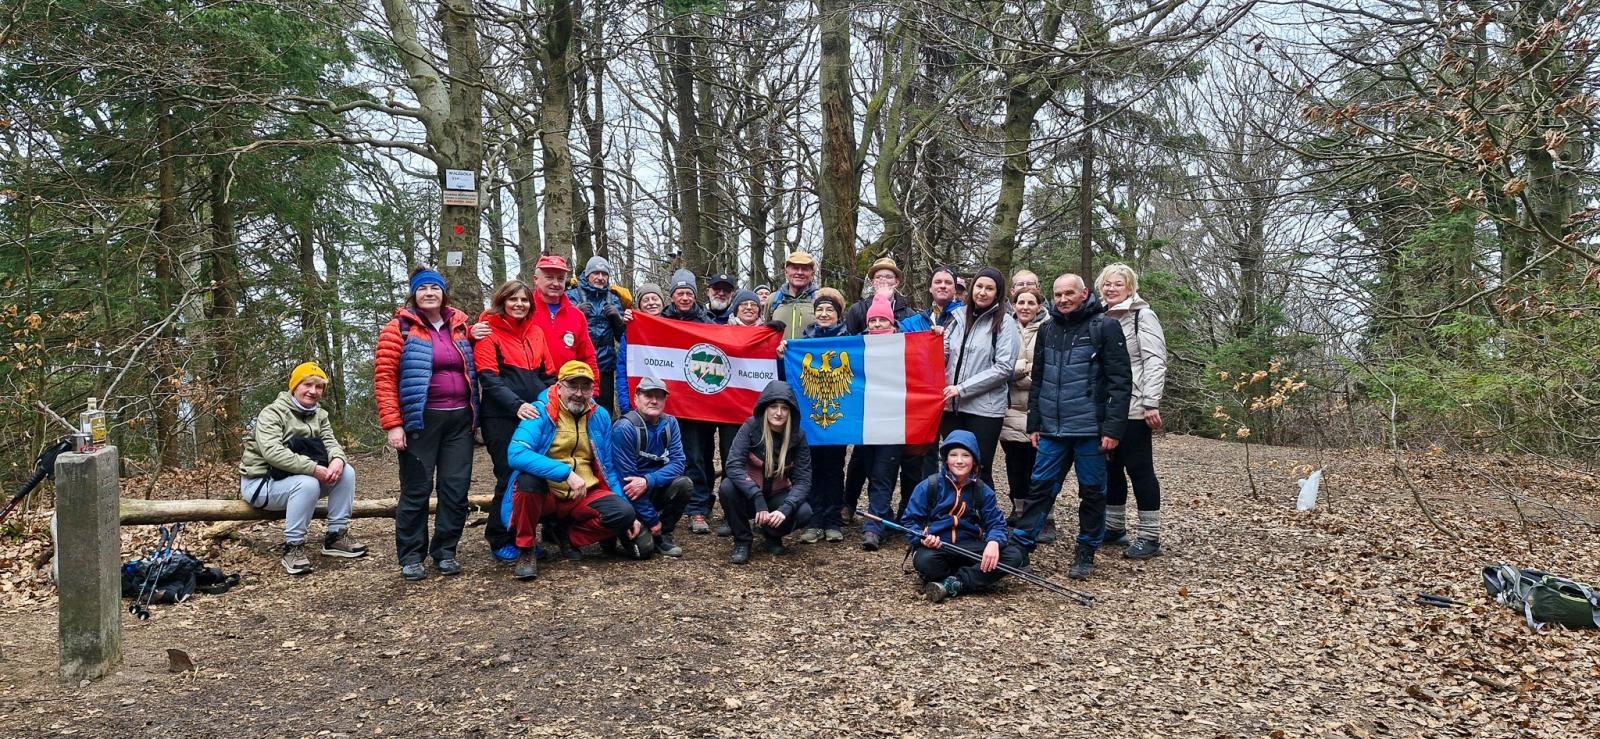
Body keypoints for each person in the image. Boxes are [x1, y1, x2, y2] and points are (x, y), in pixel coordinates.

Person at [1013, 273, 1132, 580]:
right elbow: (1038, 379)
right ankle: (1020, 548)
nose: (1063, 299)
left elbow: (1121, 383)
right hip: (1052, 429)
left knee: (1092, 492)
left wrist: (1113, 429)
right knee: (1038, 490)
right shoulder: (1049, 329)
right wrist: (1034, 424)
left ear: (1084, 294)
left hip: (1090, 430)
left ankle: (1086, 551)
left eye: (1069, 293)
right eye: (1058, 294)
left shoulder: (1105, 326)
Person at [375, 267, 477, 581]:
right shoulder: (399, 329)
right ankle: (411, 556)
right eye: (423, 289)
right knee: (417, 490)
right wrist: (393, 424)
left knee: (455, 490)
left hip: (460, 421)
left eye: (435, 287)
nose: (429, 293)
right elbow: (384, 379)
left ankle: (445, 551)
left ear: (444, 292)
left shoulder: (460, 326)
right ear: (414, 294)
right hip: (420, 421)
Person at [504, 361, 647, 580]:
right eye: (573, 386)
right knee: (527, 482)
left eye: (586, 387)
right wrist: (564, 473)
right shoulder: (540, 411)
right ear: (559, 386)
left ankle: (568, 536)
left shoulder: (599, 416)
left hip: (584, 493)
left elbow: (607, 467)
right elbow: (516, 453)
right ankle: (526, 548)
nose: (579, 394)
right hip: (548, 493)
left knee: (624, 513)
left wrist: (629, 514)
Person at [239, 362, 366, 575]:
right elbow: (273, 452)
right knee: (307, 483)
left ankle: (336, 536)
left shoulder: (320, 415)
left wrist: (337, 459)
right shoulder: (272, 413)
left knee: (347, 472)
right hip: (261, 484)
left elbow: (331, 443)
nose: (313, 391)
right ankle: (293, 547)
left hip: (296, 481)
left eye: (319, 387)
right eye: (307, 385)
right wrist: (314, 468)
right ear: (295, 386)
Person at [474, 280, 558, 562]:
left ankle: (524, 536)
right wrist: (516, 405)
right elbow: (489, 378)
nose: (519, 304)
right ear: (502, 302)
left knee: (533, 476)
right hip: (500, 416)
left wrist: (544, 404)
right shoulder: (489, 332)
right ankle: (499, 537)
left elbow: (550, 375)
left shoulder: (536, 332)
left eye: (523, 300)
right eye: (513, 300)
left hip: (535, 415)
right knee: (507, 476)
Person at [902, 430, 1025, 602]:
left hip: (970, 546)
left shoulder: (983, 491)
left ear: (974, 460)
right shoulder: (928, 486)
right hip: (938, 548)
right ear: (946, 459)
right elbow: (910, 521)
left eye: (965, 455)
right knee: (925, 562)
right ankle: (972, 577)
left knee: (1014, 555)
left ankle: (955, 582)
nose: (959, 461)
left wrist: (993, 542)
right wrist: (922, 538)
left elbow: (996, 524)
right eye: (953, 455)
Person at [1096, 263, 1168, 559]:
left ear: (1130, 288)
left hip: (1136, 406)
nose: (1111, 289)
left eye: (1118, 284)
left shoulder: (1142, 316)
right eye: (1107, 284)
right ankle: (1114, 527)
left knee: (1139, 470)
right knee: (1110, 468)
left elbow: (1155, 360)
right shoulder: (1098, 316)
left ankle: (1150, 535)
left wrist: (1151, 401)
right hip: (1106, 407)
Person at [939, 267, 1019, 489]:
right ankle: (955, 517)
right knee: (953, 467)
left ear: (998, 292)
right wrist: (933, 339)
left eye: (989, 288)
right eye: (979, 286)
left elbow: (1004, 368)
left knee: (979, 469)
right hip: (952, 408)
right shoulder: (957, 318)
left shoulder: (1005, 323)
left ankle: (983, 519)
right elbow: (944, 355)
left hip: (984, 410)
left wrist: (962, 388)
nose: (983, 292)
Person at [718, 380, 813, 564]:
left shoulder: (798, 436)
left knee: (804, 511)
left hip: (777, 495)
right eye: (774, 407)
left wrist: (785, 509)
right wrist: (756, 496)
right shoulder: (751, 427)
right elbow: (733, 465)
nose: (778, 413)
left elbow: (803, 480)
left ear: (791, 411)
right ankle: (743, 541)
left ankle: (771, 534)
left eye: (784, 408)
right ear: (765, 408)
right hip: (750, 496)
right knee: (727, 488)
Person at [660, 269, 720, 534]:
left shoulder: (708, 321)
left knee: (699, 454)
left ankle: (700, 506)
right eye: (679, 293)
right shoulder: (660, 321)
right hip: (669, 402)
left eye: (689, 293)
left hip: (702, 402)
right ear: (672, 296)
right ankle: (678, 504)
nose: (684, 298)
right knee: (674, 454)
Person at [789, 287, 849, 544]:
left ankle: (833, 520)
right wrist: (784, 352)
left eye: (830, 310)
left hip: (837, 418)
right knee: (809, 469)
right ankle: (813, 521)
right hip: (810, 420)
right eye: (820, 310)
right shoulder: (802, 344)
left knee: (834, 469)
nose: (824, 314)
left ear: (838, 315)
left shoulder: (850, 343)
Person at [611, 377, 693, 558]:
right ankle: (627, 532)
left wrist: (648, 481)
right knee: (644, 553)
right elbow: (628, 483)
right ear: (636, 398)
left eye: (659, 397)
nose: (654, 401)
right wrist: (652, 519)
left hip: (652, 486)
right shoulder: (624, 428)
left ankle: (664, 533)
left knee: (684, 484)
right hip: (628, 498)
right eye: (648, 395)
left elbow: (679, 463)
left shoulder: (670, 423)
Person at [854, 289, 906, 551]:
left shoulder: (905, 344)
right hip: (866, 422)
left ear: (891, 322)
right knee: (871, 472)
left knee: (883, 474)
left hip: (894, 422)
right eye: (872, 321)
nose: (876, 325)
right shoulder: (857, 345)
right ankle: (882, 515)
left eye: (881, 321)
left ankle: (873, 527)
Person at [999, 285, 1044, 527]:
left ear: (1039, 306)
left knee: (1039, 465)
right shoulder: (1005, 328)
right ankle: (1018, 510)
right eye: (1021, 302)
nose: (1025, 307)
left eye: (1030, 303)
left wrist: (1020, 370)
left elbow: (1045, 370)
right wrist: (1024, 367)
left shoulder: (1049, 328)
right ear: (1014, 305)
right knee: (1015, 463)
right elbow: (1000, 367)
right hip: (1009, 409)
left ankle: (1042, 514)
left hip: (1039, 409)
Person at [529, 255, 600, 392]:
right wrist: (473, 331)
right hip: (531, 389)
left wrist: (593, 390)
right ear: (536, 279)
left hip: (569, 391)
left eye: (560, 279)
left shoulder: (577, 315)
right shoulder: (525, 310)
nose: (555, 283)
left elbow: (587, 356)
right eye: (549, 277)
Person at [568, 256, 627, 413]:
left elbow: (622, 336)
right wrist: (576, 312)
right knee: (577, 405)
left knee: (603, 408)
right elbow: (563, 329)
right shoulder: (572, 295)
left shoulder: (614, 298)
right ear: (588, 275)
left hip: (605, 364)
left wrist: (618, 318)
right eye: (596, 273)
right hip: (578, 361)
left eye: (604, 274)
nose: (600, 278)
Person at [616, 282, 665, 415]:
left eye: (655, 299)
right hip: (639, 405)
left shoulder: (676, 327)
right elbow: (622, 369)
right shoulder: (631, 331)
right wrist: (626, 405)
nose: (651, 303)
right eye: (646, 300)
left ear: (662, 302)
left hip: (668, 404)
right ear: (640, 306)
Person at [844, 257, 922, 335]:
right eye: (878, 277)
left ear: (896, 282)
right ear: (872, 282)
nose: (883, 280)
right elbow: (848, 342)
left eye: (888, 277)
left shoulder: (908, 314)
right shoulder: (857, 310)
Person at [764, 250, 818, 340]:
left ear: (812, 274)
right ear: (786, 272)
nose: (800, 272)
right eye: (795, 268)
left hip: (810, 354)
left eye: (805, 269)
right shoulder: (773, 299)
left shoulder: (820, 299)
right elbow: (765, 332)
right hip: (778, 354)